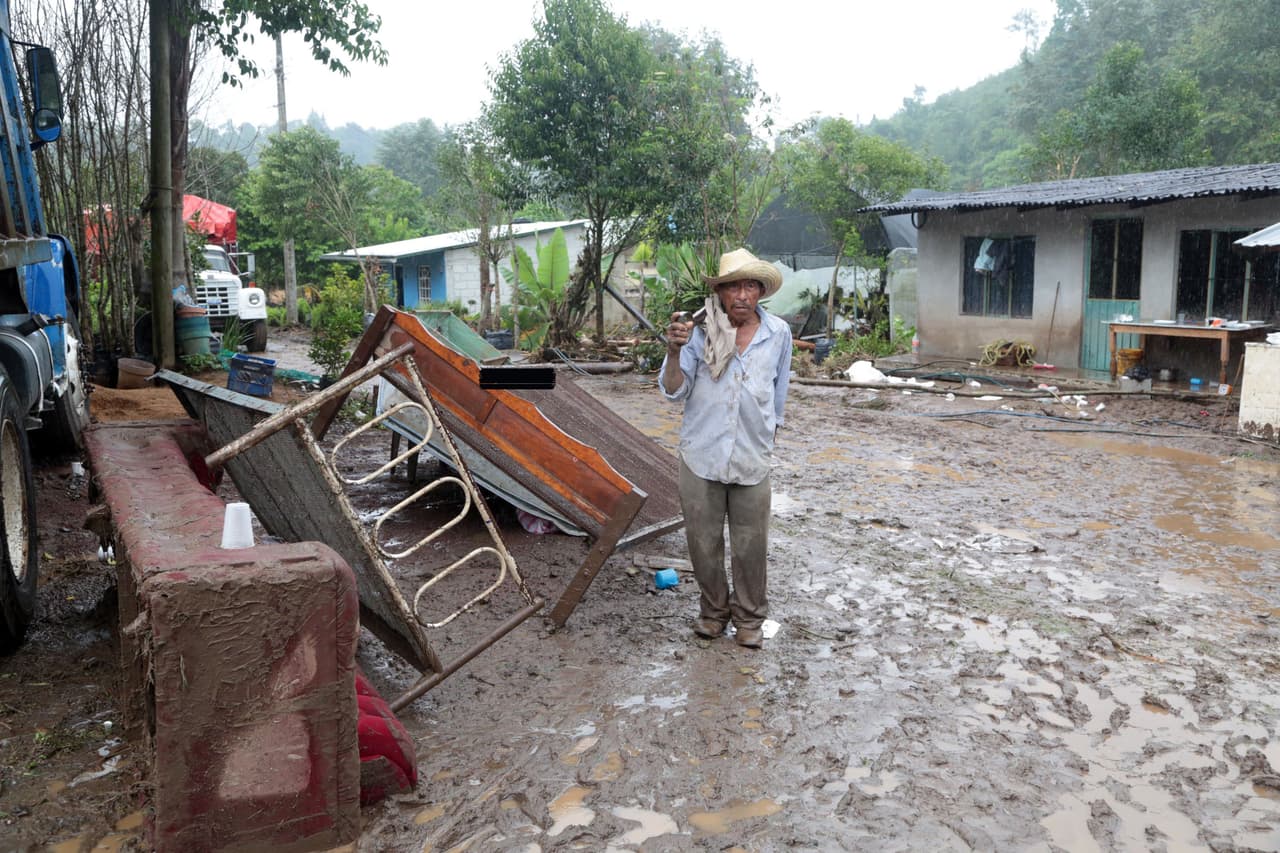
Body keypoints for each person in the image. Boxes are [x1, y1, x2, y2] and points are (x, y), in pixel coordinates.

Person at [659, 248, 791, 648]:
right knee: (703, 543)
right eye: (732, 285)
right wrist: (674, 350)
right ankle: (713, 613)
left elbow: (778, 394)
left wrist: (769, 438)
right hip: (702, 455)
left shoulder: (778, 333)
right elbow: (674, 391)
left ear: (760, 292)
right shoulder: (697, 332)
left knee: (752, 545)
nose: (741, 294)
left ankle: (750, 620)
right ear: (719, 292)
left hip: (753, 457)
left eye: (750, 285)